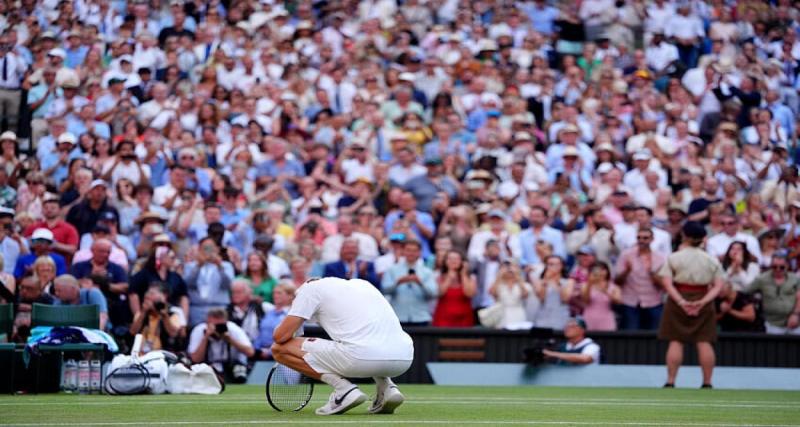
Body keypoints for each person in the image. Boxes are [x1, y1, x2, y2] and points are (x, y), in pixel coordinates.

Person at [271, 277, 414, 415]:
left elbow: (280, 337)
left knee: (279, 349)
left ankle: (343, 390)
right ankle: (387, 388)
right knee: (366, 338)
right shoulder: (363, 285)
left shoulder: (308, 289)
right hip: (404, 358)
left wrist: (291, 314)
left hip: (360, 358)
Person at [657, 221, 725, 388]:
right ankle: (707, 382)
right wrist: (702, 302)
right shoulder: (711, 260)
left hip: (678, 297)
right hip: (703, 297)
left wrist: (681, 302)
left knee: (676, 340)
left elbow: (667, 283)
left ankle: (671, 381)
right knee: (704, 341)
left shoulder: (674, 257)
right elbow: (718, 286)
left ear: (684, 236)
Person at [614, 228, 666, 330]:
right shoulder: (626, 255)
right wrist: (627, 271)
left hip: (653, 302)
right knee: (631, 334)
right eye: (639, 238)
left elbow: (664, 285)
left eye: (645, 238)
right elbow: (617, 281)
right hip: (630, 302)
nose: (641, 240)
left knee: (654, 335)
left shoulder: (660, 258)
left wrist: (651, 272)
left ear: (652, 239)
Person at [188, 308, 255, 383]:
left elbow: (250, 352)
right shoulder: (199, 330)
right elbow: (195, 359)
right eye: (214, 325)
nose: (217, 328)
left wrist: (230, 339)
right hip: (208, 368)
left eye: (221, 325)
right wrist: (206, 337)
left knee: (239, 370)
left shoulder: (233, 329)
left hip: (231, 368)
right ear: (207, 323)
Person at [381, 239, 438, 326]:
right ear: (403, 251)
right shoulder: (392, 270)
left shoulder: (427, 272)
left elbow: (433, 294)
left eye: (414, 251)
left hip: (421, 318)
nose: (411, 253)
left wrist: (420, 283)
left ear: (419, 253)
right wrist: (398, 283)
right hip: (398, 317)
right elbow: (384, 290)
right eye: (408, 250)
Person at [743, 254, 800, 334]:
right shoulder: (762, 279)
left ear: (787, 266)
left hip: (795, 322)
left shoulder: (795, 279)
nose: (778, 269)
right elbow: (746, 291)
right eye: (774, 267)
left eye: (782, 267)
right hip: (772, 323)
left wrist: (796, 314)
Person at [129, 284, 184, 353]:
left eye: (152, 293)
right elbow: (132, 332)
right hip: (141, 354)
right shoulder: (141, 313)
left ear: (164, 296)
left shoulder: (172, 314)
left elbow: (173, 334)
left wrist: (164, 315)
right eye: (147, 293)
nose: (147, 296)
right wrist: (144, 312)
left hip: (163, 354)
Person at [432, 250, 477, 327]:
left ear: (462, 262)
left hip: (464, 319)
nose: (453, 261)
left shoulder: (471, 278)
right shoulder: (438, 276)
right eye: (450, 258)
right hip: (443, 318)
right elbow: (439, 293)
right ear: (445, 261)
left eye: (456, 259)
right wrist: (449, 277)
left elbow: (469, 294)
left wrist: (463, 274)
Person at [253, 282, 296, 360]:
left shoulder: (293, 315)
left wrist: (270, 352)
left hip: (282, 357)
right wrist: (256, 349)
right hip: (261, 355)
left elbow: (290, 338)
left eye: (279, 293)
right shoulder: (269, 312)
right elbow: (261, 333)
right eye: (274, 293)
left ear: (290, 296)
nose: (275, 296)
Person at [488, 261, 532, 330]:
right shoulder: (498, 284)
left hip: (518, 314)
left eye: (513, 266)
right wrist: (499, 275)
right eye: (506, 267)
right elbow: (492, 293)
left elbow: (525, 295)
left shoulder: (524, 284)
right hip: (501, 315)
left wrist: (518, 277)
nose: (509, 269)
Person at [581, 262, 622, 331]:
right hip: (589, 318)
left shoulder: (614, 287)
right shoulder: (585, 285)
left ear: (607, 271)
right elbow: (585, 300)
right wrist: (589, 283)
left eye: (603, 269)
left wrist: (606, 291)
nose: (600, 272)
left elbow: (618, 301)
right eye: (597, 270)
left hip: (607, 320)